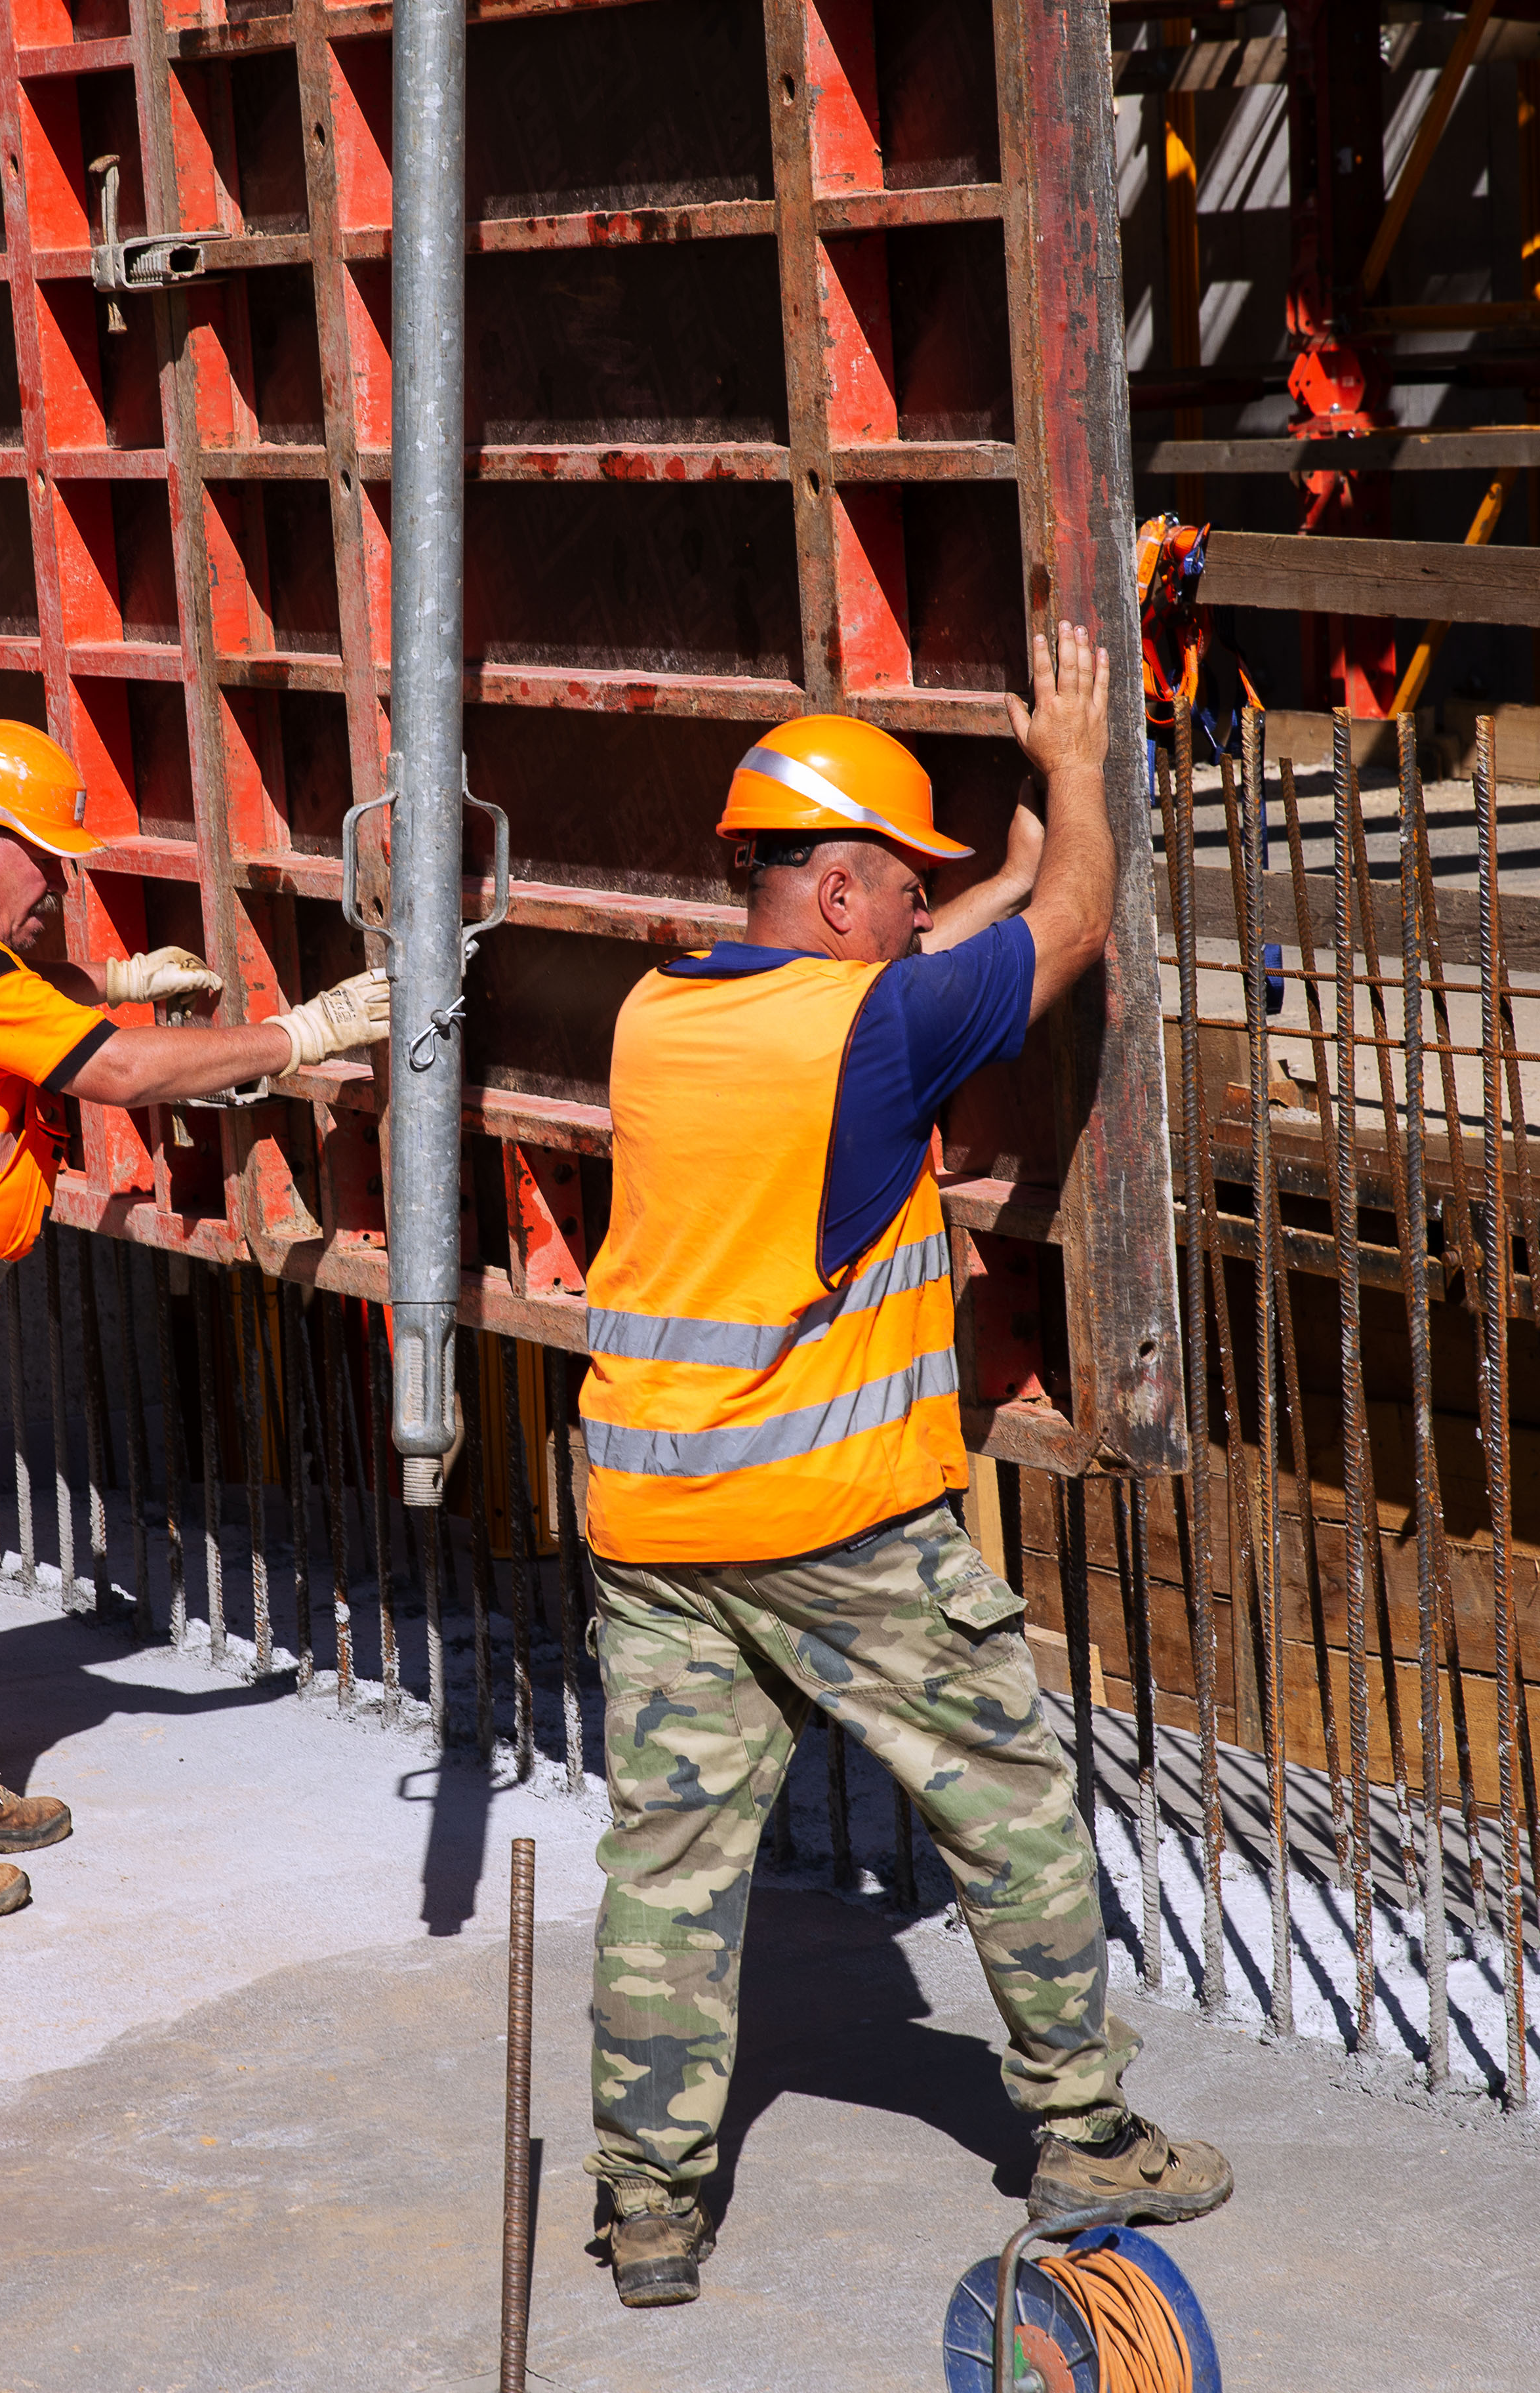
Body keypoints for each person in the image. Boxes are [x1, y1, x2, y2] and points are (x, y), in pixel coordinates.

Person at [575, 624, 1230, 2310]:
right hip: (839, 1523)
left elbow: (910, 972)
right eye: (901, 883)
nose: (914, 911)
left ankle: (649, 2213)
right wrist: (1076, 778)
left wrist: (980, 883)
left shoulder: (660, 1014)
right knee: (1008, 1816)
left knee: (667, 1873)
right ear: (849, 896)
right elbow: (1074, 928)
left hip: (649, 1524)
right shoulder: (868, 1038)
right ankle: (1084, 2133)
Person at [0, 718, 392, 1928]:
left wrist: (107, 984)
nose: (58, 886)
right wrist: (302, 1033)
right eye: (43, 862)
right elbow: (119, 1077)